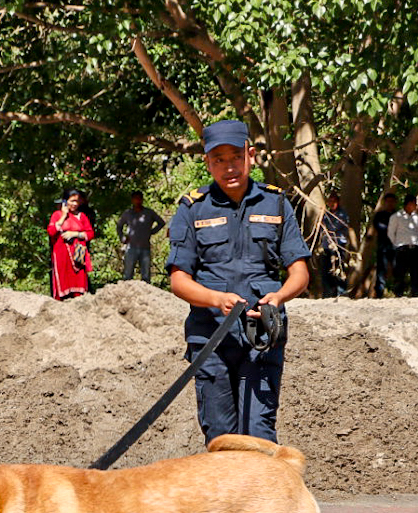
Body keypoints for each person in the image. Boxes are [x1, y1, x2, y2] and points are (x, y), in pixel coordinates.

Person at [165, 119, 310, 443]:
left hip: (262, 337)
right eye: (218, 159)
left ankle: (261, 495)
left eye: (235, 157)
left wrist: (278, 297)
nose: (228, 166)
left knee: (259, 436)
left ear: (251, 155)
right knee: (221, 438)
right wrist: (216, 299)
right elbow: (179, 280)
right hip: (211, 338)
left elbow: (299, 272)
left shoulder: (276, 203)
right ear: (207, 163)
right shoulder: (192, 208)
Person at [48, 188, 94, 300]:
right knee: (63, 278)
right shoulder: (57, 215)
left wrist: (75, 234)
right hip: (62, 253)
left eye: (76, 201)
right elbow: (51, 231)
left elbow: (90, 233)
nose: (74, 204)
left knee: (79, 280)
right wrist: (64, 216)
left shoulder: (81, 216)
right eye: (71, 201)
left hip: (78, 252)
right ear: (65, 201)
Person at [116, 191, 165, 281]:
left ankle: (146, 294)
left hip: (145, 247)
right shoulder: (128, 213)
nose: (138, 201)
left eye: (139, 198)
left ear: (142, 200)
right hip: (131, 247)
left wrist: (151, 232)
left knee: (146, 276)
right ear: (132, 200)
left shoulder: (149, 213)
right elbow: (119, 226)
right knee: (127, 275)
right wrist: (122, 237)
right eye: (135, 198)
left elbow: (161, 223)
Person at [387, 193, 418, 297]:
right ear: (409, 204)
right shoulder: (396, 216)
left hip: (414, 246)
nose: (415, 206)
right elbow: (390, 232)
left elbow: (417, 231)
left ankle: (415, 291)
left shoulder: (417, 217)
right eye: (414, 204)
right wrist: (397, 243)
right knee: (400, 271)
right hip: (401, 246)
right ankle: (399, 292)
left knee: (415, 271)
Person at [320, 193, 349, 298]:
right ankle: (327, 293)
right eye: (330, 201)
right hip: (327, 245)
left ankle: (341, 293)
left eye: (334, 201)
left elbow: (334, 227)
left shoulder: (342, 215)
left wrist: (326, 229)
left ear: (338, 202)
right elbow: (321, 228)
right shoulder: (326, 214)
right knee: (326, 270)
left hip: (338, 245)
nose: (332, 204)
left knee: (339, 268)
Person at [370, 192, 398, 297]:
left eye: (392, 201)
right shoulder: (379, 215)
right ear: (384, 202)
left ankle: (397, 292)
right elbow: (378, 227)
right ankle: (379, 293)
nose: (390, 203)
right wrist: (391, 230)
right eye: (388, 201)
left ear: (395, 203)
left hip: (396, 246)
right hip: (383, 246)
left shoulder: (398, 215)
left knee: (397, 269)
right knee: (381, 270)